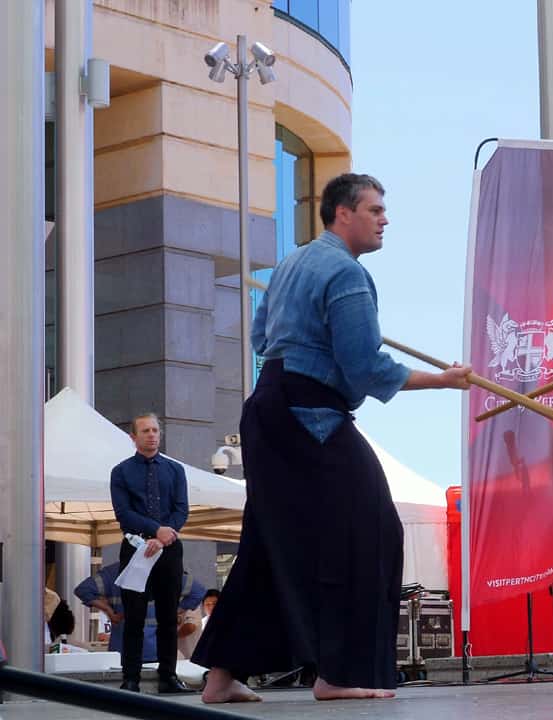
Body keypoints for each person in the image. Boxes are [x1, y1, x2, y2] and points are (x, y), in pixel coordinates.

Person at [192, 173, 471, 704]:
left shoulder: (294, 262)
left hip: (270, 407)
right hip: (309, 413)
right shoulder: (346, 274)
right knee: (373, 531)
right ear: (344, 213)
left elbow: (260, 336)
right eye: (376, 210)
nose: (385, 219)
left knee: (270, 540)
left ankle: (222, 676)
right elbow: (364, 366)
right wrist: (442, 379)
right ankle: (338, 672)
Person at [109, 412, 191, 694]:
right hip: (136, 548)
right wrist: (156, 531)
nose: (152, 435)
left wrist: (165, 535)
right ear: (133, 437)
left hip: (169, 549)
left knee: (170, 615)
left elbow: (182, 509)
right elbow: (123, 513)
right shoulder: (120, 472)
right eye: (145, 431)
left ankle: (168, 675)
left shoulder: (175, 470)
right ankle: (130, 677)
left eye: (155, 430)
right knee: (134, 616)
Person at [74, 562, 207, 666]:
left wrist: (109, 611)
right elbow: (199, 592)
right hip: (159, 650)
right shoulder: (167, 570)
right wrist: (175, 611)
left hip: (122, 650)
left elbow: (83, 590)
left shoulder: (113, 572)